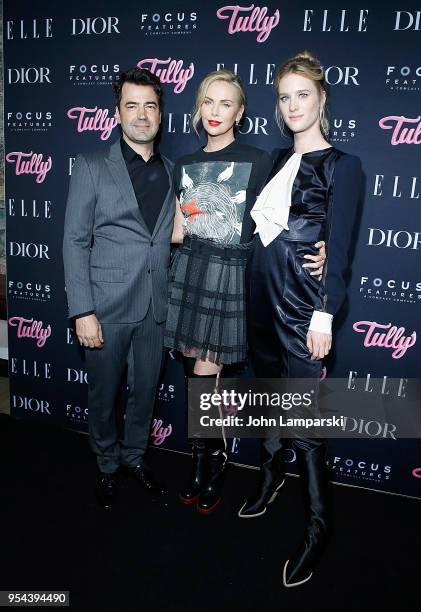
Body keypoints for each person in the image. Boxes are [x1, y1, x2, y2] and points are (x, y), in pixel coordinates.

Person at [166, 69, 327, 514]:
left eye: (226, 104)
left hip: (235, 276)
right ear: (198, 109)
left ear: (240, 111)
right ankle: (205, 459)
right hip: (191, 273)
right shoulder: (183, 163)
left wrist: (324, 243)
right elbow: (179, 229)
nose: (215, 112)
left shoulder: (263, 159)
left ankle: (212, 463)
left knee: (207, 376)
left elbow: (299, 209)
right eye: (208, 103)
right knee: (195, 378)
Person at [238, 51, 362, 588]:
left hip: (302, 307)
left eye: (302, 95)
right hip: (260, 300)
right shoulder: (270, 159)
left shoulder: (343, 165)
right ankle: (270, 475)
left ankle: (318, 526)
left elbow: (343, 249)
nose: (292, 105)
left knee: (307, 424)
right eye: (284, 97)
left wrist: (324, 316)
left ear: (322, 98)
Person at [63, 67, 174, 510]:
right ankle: (107, 466)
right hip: (104, 307)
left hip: (155, 308)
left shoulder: (171, 170)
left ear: (160, 114)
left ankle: (134, 457)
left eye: (150, 105)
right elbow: (74, 240)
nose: (141, 115)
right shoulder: (92, 166)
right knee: (103, 395)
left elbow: (181, 232)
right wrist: (82, 310)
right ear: (118, 112)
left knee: (145, 392)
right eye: (132, 105)